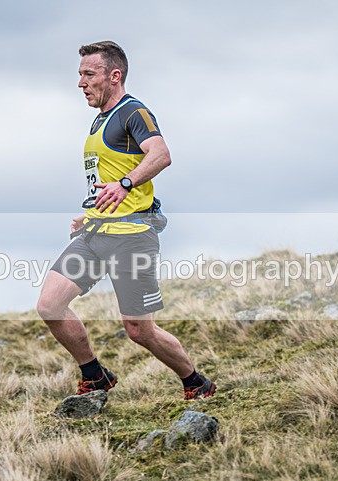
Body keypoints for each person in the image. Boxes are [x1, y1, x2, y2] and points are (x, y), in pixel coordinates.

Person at [37, 41, 216, 400]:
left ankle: (195, 382)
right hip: (96, 233)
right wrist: (91, 211)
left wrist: (125, 184)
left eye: (89, 74)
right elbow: (106, 177)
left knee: (139, 330)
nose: (81, 83)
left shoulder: (134, 112)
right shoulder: (100, 119)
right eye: (80, 75)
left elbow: (160, 154)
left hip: (132, 237)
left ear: (114, 76)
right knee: (50, 305)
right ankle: (95, 375)